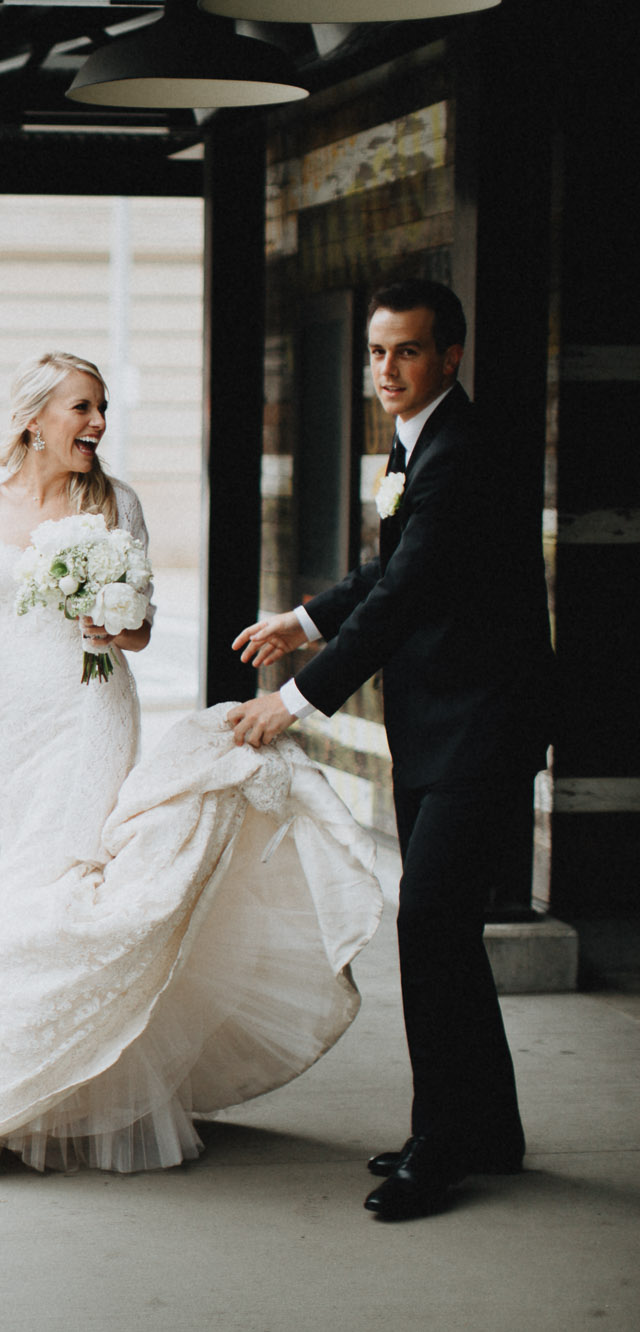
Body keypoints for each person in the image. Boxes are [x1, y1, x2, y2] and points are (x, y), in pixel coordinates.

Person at [0, 351, 381, 1179]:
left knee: (37, 895)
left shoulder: (117, 501)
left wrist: (114, 623)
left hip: (91, 710)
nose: (97, 424)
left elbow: (142, 625)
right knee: (45, 889)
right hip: (12, 718)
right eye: (82, 407)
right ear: (34, 418)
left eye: (102, 407)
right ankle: (68, 1085)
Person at [227, 278, 555, 1221]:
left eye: (406, 351)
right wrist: (301, 618)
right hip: (437, 722)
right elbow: (387, 569)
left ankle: (443, 1144)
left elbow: (407, 592)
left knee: (428, 923)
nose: (386, 370)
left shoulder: (462, 449)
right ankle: (486, 1126)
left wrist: (293, 701)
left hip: (480, 724)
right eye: (376, 353)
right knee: (445, 930)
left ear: (449, 354)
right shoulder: (418, 443)